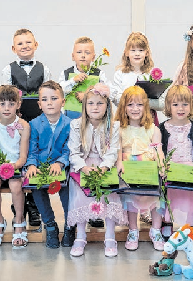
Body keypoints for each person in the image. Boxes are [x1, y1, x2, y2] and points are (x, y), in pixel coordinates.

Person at [67, 83, 126, 257]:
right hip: (83, 166)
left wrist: (103, 168)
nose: (95, 107)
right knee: (80, 193)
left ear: (107, 106)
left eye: (99, 103)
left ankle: (109, 236)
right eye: (90, 103)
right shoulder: (76, 125)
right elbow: (74, 152)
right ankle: (81, 235)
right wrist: (84, 168)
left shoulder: (114, 126)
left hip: (104, 166)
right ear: (84, 106)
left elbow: (113, 150)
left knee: (109, 193)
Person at [1, 28, 49, 227]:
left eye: (28, 42)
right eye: (20, 43)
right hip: (17, 123)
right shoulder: (7, 70)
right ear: (13, 48)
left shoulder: (44, 69)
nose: (25, 46)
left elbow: (47, 95)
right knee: (18, 160)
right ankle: (19, 206)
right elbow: (5, 97)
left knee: (35, 160)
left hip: (38, 122)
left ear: (36, 45)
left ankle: (35, 206)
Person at [114, 86, 165, 251]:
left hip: (148, 169)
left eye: (139, 105)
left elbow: (159, 151)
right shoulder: (119, 129)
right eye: (130, 105)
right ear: (123, 107)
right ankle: (133, 231)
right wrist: (120, 163)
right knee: (131, 199)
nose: (135, 109)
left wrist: (161, 165)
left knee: (157, 198)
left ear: (146, 107)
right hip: (130, 169)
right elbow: (118, 149)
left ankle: (156, 230)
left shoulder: (153, 129)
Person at [25, 81, 74, 249]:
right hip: (41, 167)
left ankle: (70, 225)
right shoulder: (34, 124)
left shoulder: (70, 124)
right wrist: (31, 165)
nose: (50, 103)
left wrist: (60, 162)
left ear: (63, 101)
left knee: (68, 189)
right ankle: (50, 225)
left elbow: (70, 149)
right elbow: (32, 150)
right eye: (45, 99)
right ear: (39, 104)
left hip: (63, 167)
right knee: (37, 189)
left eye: (54, 98)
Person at [159, 85, 193, 232]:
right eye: (175, 105)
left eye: (185, 104)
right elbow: (159, 150)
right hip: (170, 168)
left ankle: (192, 226)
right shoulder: (162, 128)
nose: (180, 108)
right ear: (169, 106)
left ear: (191, 106)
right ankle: (167, 223)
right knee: (168, 194)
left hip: (191, 167)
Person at [0, 85, 30, 248]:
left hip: (16, 166)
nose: (7, 108)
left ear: (18, 104)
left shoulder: (23, 125)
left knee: (16, 186)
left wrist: (12, 166)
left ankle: (19, 220)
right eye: (2, 104)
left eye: (11, 104)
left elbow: (23, 156)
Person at [58, 36, 114, 108]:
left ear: (93, 57)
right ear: (73, 56)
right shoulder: (65, 73)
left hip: (93, 116)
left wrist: (87, 95)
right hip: (70, 115)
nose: (83, 56)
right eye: (79, 52)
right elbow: (59, 93)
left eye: (87, 53)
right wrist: (73, 81)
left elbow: (110, 92)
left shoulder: (99, 74)